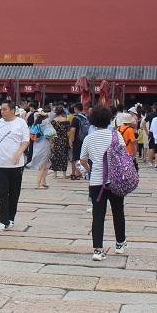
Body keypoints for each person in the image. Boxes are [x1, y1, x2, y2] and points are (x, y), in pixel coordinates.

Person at [80, 105, 127, 261]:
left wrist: (90, 170)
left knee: (98, 215)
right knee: (118, 212)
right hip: (115, 180)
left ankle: (97, 250)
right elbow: (124, 155)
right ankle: (120, 244)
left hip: (96, 181)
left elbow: (83, 160)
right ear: (109, 120)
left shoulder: (89, 138)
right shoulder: (116, 135)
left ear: (93, 121)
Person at [0, 100, 30, 231]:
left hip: (16, 165)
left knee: (14, 193)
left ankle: (11, 217)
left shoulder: (21, 123)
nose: (2, 112)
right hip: (0, 164)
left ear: (12, 110)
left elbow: (26, 141)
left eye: (5, 109)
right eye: (1, 109)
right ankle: (3, 220)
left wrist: (19, 153)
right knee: (2, 193)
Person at [49, 106, 71, 179]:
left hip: (56, 139)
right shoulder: (66, 121)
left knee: (55, 156)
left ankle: (55, 173)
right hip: (64, 139)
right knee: (64, 156)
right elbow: (68, 130)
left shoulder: (53, 121)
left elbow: (51, 131)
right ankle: (64, 174)